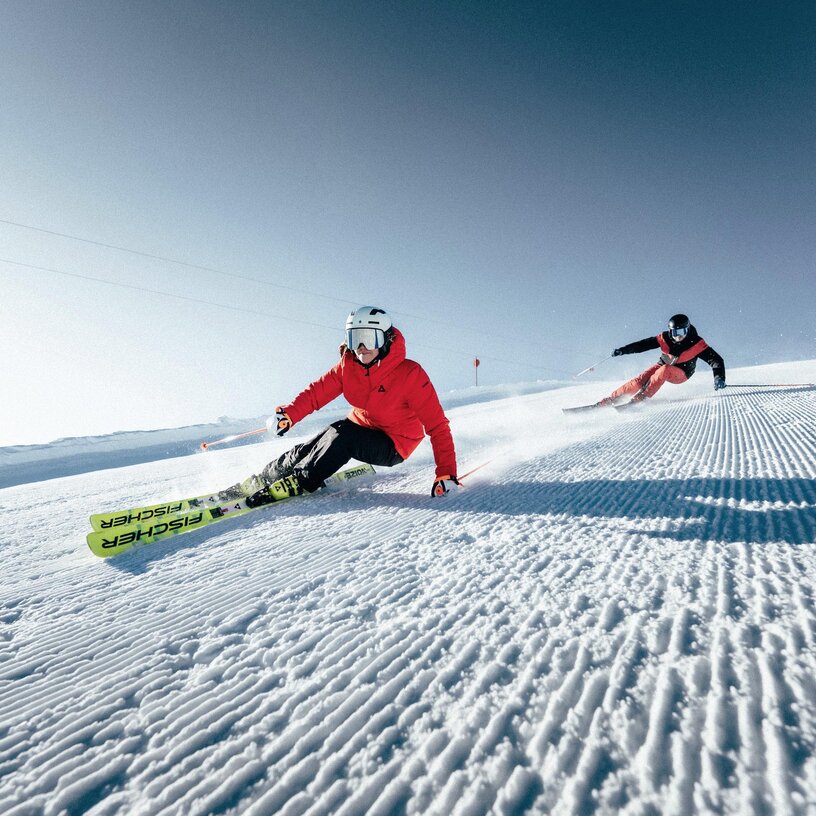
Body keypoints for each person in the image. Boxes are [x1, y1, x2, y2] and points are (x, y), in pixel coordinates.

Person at [220, 306, 458, 502]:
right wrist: (289, 415)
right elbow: (316, 394)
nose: (362, 348)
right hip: (361, 426)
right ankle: (267, 476)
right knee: (319, 439)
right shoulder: (348, 367)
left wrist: (446, 473)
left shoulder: (410, 374)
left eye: (369, 339)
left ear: (385, 340)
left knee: (342, 437)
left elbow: (437, 426)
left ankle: (302, 479)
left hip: (395, 443)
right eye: (356, 340)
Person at [597, 313, 726, 407]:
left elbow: (716, 360)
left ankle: (641, 398)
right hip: (663, 365)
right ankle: (610, 400)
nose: (678, 336)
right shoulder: (665, 338)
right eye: (675, 333)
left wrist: (719, 378)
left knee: (664, 370)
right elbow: (643, 345)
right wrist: (623, 350)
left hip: (682, 373)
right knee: (639, 380)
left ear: (687, 329)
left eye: (681, 332)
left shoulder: (697, 343)